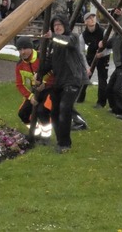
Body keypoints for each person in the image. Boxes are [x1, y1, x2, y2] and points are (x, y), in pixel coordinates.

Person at [35, 15, 89, 153]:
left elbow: (67, 43)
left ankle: (65, 144)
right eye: (55, 25)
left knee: (65, 109)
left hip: (73, 79)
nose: (57, 27)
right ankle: (60, 141)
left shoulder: (73, 38)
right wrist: (39, 73)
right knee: (54, 113)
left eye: (60, 25)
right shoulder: (54, 44)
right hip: (59, 81)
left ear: (65, 26)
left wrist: (53, 36)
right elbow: (49, 62)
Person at [14, 36, 51, 143]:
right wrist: (30, 97)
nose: (22, 52)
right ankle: (36, 133)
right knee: (23, 113)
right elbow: (19, 85)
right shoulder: (19, 65)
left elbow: (55, 73)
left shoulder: (42, 58)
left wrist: (45, 83)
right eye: (20, 49)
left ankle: (46, 137)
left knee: (41, 111)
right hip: (35, 91)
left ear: (31, 48)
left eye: (25, 48)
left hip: (49, 88)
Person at [100, 11, 122, 121]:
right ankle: (115, 108)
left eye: (119, 23)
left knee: (117, 89)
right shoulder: (115, 37)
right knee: (110, 88)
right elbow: (107, 44)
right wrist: (102, 43)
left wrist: (119, 17)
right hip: (119, 66)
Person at [78, 11, 107, 107]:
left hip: (103, 56)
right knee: (85, 77)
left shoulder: (104, 32)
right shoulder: (83, 35)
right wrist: (87, 67)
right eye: (89, 18)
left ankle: (101, 102)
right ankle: (79, 97)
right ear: (85, 22)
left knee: (102, 79)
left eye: (93, 17)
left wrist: (102, 53)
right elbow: (81, 52)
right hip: (91, 55)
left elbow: (110, 47)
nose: (92, 19)